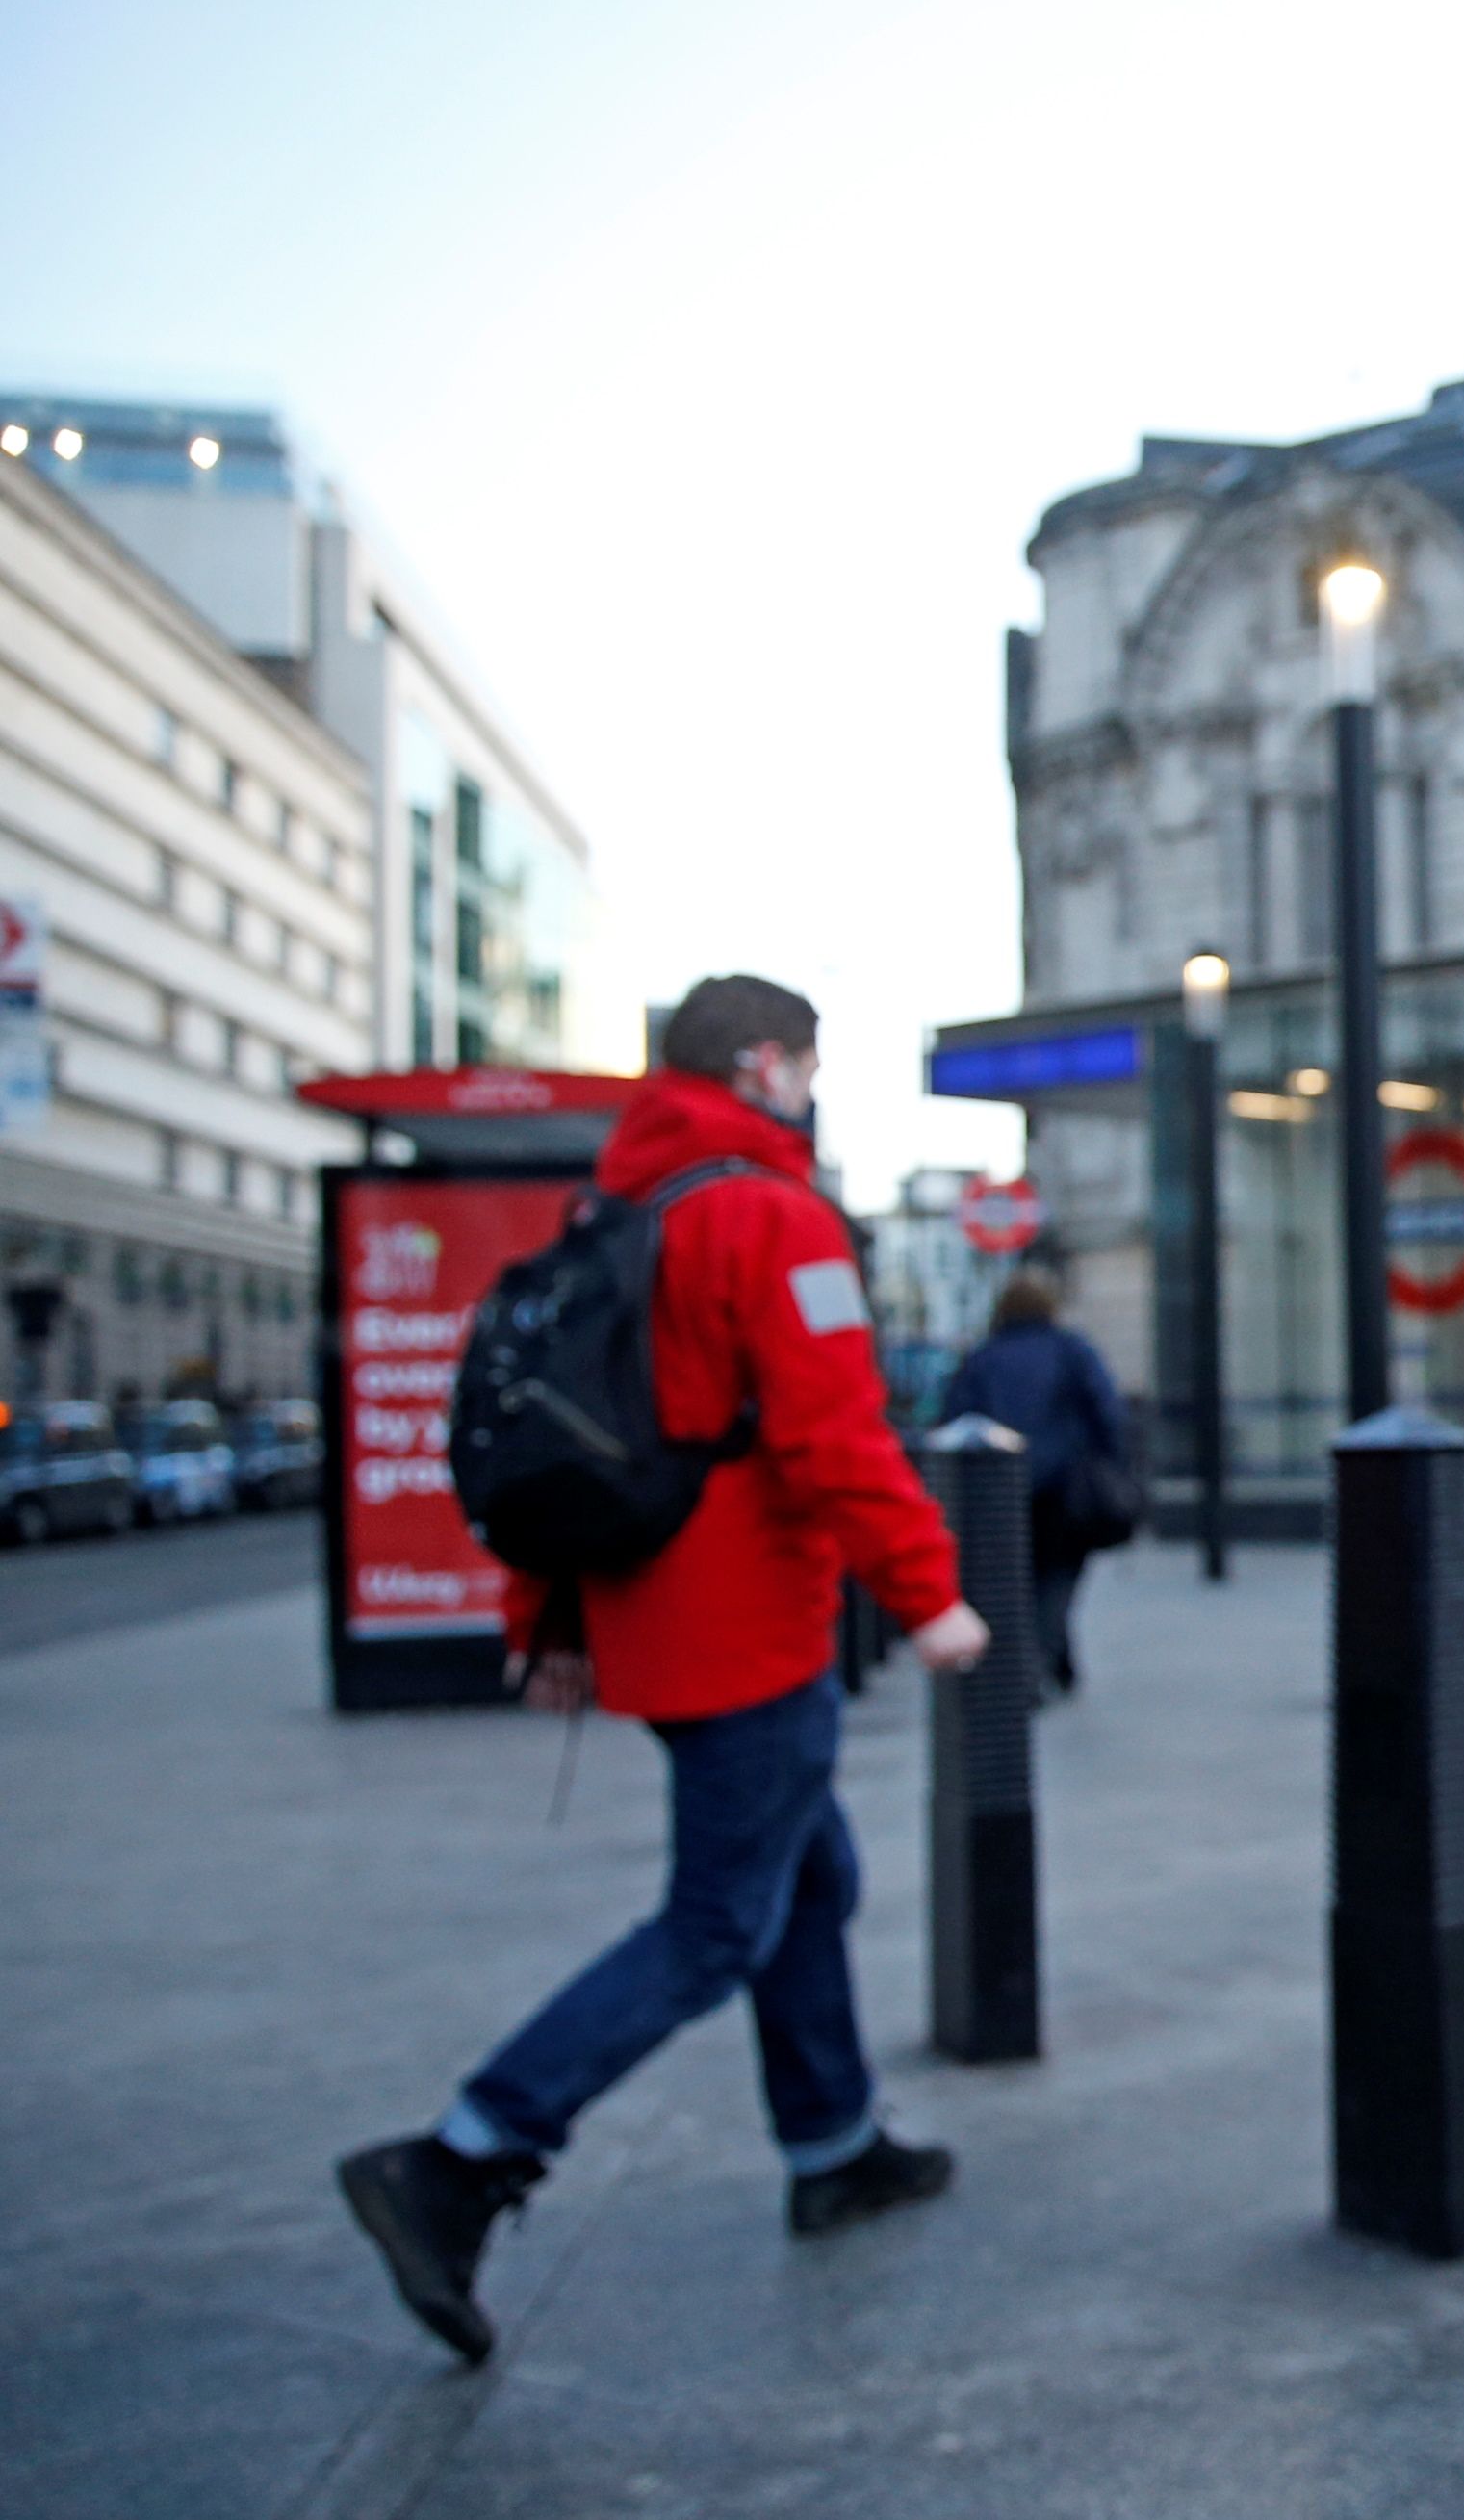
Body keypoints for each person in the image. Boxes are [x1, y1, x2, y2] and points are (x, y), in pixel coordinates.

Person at [336, 975, 991, 2368]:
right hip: (746, 1626)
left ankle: (834, 2138)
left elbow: (563, 1428)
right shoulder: (766, 1212)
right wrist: (930, 1594)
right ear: (763, 1064)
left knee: (810, 1876)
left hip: (651, 1615)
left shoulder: (622, 1205)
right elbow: (836, 1439)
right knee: (713, 1926)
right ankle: (463, 2155)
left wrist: (547, 1618)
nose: (811, 1094)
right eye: (807, 1067)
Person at [942, 1272, 1129, 1695]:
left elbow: (957, 1417)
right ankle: (1044, 1662)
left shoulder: (984, 1357)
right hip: (1065, 1487)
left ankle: (1048, 1660)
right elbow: (1107, 1412)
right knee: (1059, 1575)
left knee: (1017, 1578)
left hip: (999, 1488)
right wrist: (1114, 1466)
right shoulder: (1070, 1350)